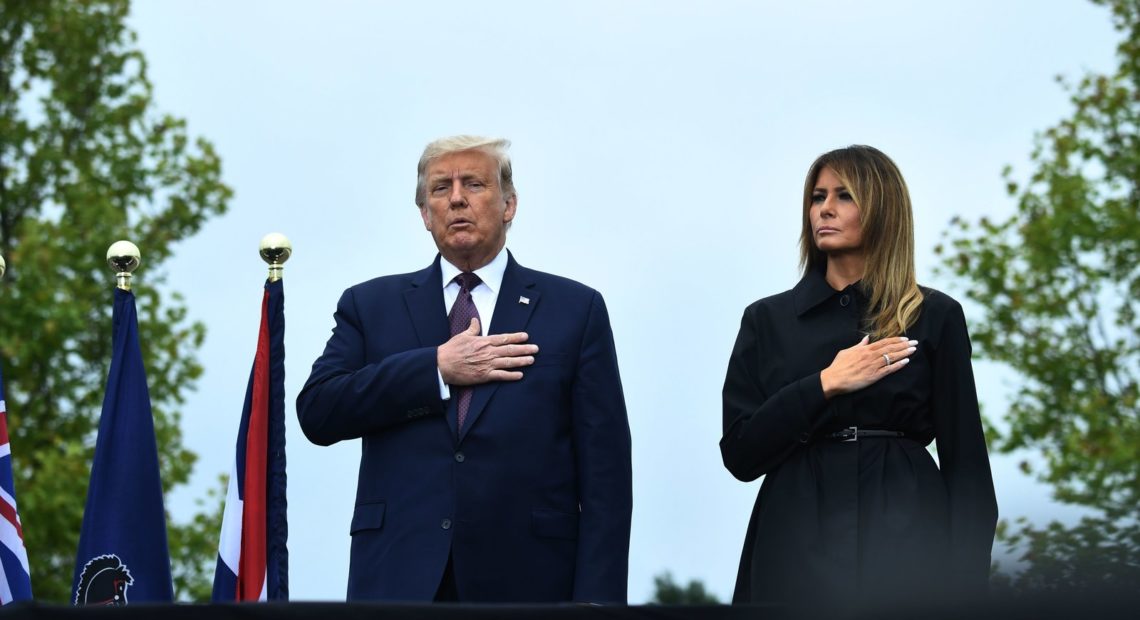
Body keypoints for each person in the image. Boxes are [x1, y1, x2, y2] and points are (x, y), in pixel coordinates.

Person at [297, 135, 632, 603]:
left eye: (473, 183)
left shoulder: (575, 310)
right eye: (440, 188)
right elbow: (318, 410)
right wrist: (434, 368)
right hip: (399, 582)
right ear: (424, 214)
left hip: (532, 587)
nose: (456, 197)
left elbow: (607, 476)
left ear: (509, 204)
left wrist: (598, 603)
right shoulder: (370, 306)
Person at [720, 145, 998, 606]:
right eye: (817, 196)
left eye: (844, 195)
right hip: (794, 541)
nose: (824, 208)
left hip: (909, 537)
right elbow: (740, 454)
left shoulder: (934, 315)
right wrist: (825, 384)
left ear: (883, 209)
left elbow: (967, 468)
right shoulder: (767, 320)